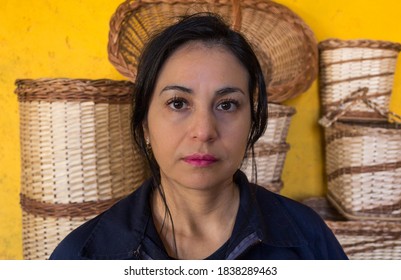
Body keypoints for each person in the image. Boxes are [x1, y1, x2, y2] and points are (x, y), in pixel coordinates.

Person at [50, 13, 348, 260]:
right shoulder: (84, 255)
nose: (204, 131)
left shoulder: (307, 241)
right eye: (178, 103)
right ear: (144, 125)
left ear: (252, 122)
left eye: (227, 104)